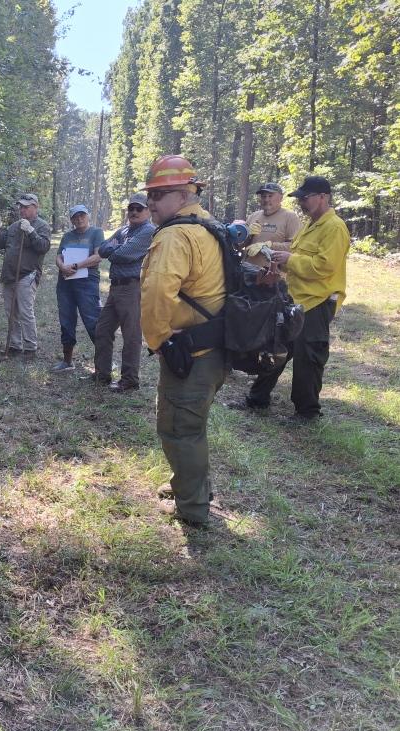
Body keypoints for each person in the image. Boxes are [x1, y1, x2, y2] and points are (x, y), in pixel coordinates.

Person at [140, 155, 226, 527]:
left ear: (183, 194)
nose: (151, 204)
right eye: (150, 196)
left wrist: (159, 340)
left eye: (158, 196)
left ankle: (192, 509)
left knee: (180, 428)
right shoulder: (208, 225)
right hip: (214, 345)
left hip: (191, 350)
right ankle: (189, 486)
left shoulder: (176, 234)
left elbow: (157, 293)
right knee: (192, 424)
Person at [235, 176, 349, 421]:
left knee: (308, 358)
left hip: (318, 302)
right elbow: (297, 254)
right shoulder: (310, 224)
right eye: (299, 199)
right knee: (277, 347)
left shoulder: (334, 227)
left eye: (305, 198)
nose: (302, 203)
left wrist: (290, 260)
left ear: (323, 197)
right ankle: (257, 399)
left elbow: (325, 267)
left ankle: (307, 412)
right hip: (296, 298)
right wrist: (278, 258)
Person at [93, 192, 155, 391]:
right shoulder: (124, 230)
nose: (134, 212)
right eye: (131, 208)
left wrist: (116, 248)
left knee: (131, 335)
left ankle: (129, 380)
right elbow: (102, 250)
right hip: (116, 287)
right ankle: (102, 374)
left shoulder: (148, 231)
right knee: (102, 330)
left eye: (139, 208)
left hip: (132, 287)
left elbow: (124, 254)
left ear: (148, 211)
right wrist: (116, 248)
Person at [0, 193, 52, 361]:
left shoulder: (42, 226)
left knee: (25, 312)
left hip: (28, 274)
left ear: (35, 207)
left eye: (26, 206)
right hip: (9, 274)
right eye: (21, 207)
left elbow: (43, 247)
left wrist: (31, 231)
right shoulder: (14, 226)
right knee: (11, 313)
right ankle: (15, 346)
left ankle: (30, 348)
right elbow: (0, 244)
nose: (22, 210)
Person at [52, 204, 104, 372]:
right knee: (66, 320)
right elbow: (59, 255)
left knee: (92, 320)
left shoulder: (96, 233)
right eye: (75, 216)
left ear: (88, 216)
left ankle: (103, 364)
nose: (79, 219)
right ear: (71, 219)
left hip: (87, 282)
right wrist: (62, 266)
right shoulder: (67, 236)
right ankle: (67, 361)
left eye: (82, 215)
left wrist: (75, 266)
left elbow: (98, 257)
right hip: (66, 282)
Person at [244, 182, 300, 250]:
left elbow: (295, 246)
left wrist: (269, 245)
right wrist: (247, 235)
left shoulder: (290, 217)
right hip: (247, 260)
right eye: (263, 196)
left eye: (270, 196)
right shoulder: (253, 216)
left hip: (273, 260)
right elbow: (239, 246)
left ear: (281, 198)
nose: (266, 200)